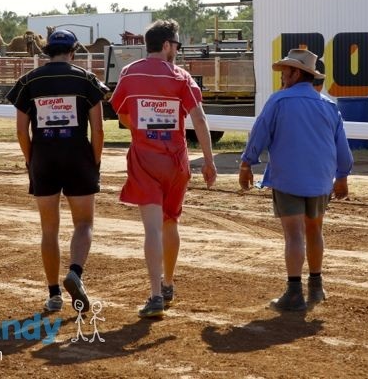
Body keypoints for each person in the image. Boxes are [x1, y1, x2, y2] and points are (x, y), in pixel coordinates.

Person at [109, 18, 217, 318]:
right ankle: (168, 283)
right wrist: (209, 161)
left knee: (152, 228)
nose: (177, 51)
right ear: (167, 45)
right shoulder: (181, 77)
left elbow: (122, 114)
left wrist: (141, 131)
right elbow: (199, 119)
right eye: (176, 45)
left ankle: (156, 295)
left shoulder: (131, 72)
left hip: (145, 158)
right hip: (176, 160)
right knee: (171, 223)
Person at [239, 48, 353, 311]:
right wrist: (342, 176)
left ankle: (293, 292)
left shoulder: (278, 101)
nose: (282, 76)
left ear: (296, 73)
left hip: (288, 177)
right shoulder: (329, 106)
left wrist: (246, 163)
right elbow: (342, 147)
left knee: (293, 235)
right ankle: (316, 286)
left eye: (285, 71)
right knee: (314, 230)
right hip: (321, 179)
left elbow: (259, 134)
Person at [6, 29, 108, 314]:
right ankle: (75, 272)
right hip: (79, 157)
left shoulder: (29, 81)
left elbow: (21, 131)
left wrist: (31, 160)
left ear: (47, 51)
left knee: (49, 228)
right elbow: (99, 130)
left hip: (43, 158)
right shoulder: (86, 79)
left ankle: (53, 294)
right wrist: (95, 161)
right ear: (73, 51)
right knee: (84, 223)